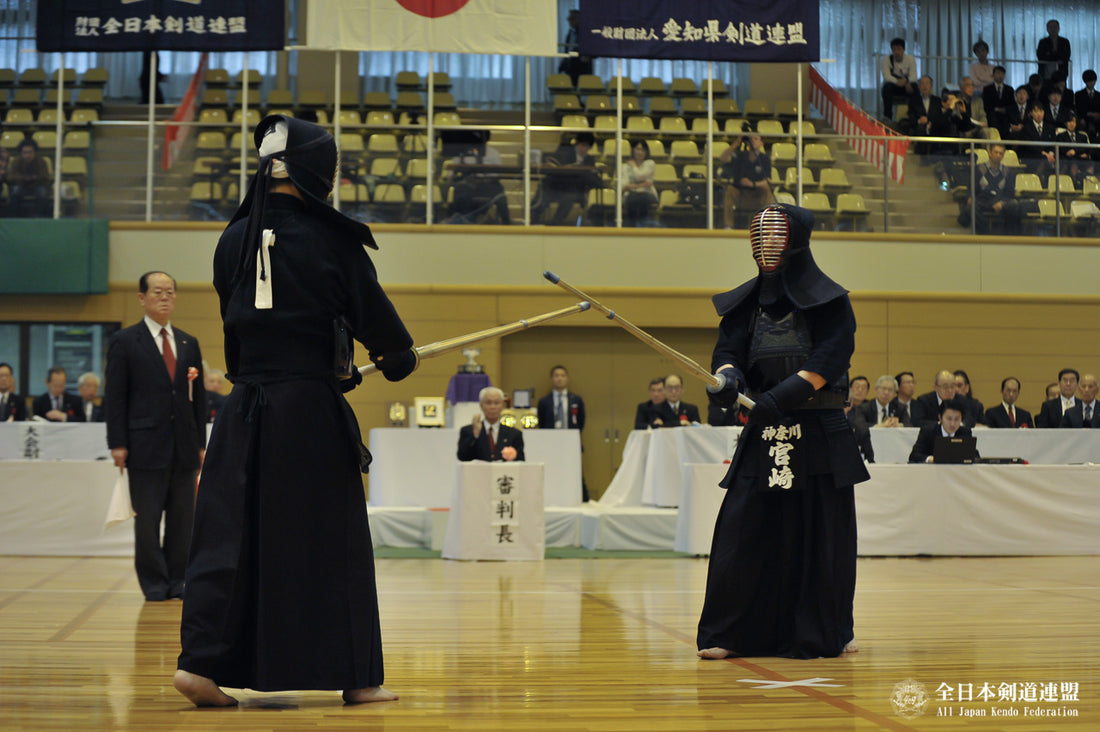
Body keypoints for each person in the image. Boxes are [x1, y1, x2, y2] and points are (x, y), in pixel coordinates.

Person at [175, 115, 417, 707]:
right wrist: (396, 357)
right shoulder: (334, 239)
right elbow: (386, 337)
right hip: (308, 414)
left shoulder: (230, 239)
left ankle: (201, 664)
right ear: (319, 173)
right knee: (332, 541)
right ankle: (357, 678)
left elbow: (248, 324)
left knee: (228, 538)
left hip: (243, 411)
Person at [697, 203, 868, 660]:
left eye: (776, 237)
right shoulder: (744, 305)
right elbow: (727, 351)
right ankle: (729, 632)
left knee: (823, 534)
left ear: (796, 241)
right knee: (743, 528)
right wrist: (728, 380)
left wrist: (785, 396)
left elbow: (830, 358)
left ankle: (826, 629)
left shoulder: (831, 301)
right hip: (765, 429)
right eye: (760, 236)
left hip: (818, 429)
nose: (767, 245)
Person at [105, 271, 204, 605]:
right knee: (146, 523)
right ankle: (154, 583)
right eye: (158, 292)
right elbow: (115, 397)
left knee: (182, 522)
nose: (165, 297)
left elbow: (199, 398)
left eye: (171, 292)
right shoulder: (125, 341)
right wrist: (117, 443)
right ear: (141, 298)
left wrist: (201, 443)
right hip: (144, 446)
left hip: (184, 447)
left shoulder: (189, 342)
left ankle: (179, 579)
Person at [443, 131, 511, 225]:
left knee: (500, 191)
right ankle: (463, 221)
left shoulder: (493, 153)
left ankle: (506, 222)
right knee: (460, 191)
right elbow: (451, 174)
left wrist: (484, 180)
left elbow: (497, 174)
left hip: (487, 184)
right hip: (465, 184)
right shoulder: (460, 153)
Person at [533, 132, 599, 226]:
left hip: (574, 190)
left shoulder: (590, 160)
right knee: (543, 192)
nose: (584, 149)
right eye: (582, 145)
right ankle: (533, 221)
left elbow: (594, 180)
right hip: (557, 186)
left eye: (587, 147)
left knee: (570, 196)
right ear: (577, 143)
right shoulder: (564, 152)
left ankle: (556, 223)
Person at [720, 131, 774, 229]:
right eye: (750, 139)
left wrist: (752, 184)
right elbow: (723, 158)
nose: (753, 141)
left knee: (767, 190)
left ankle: (767, 226)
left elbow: (768, 181)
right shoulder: (740, 155)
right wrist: (736, 143)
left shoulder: (765, 159)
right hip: (740, 195)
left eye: (756, 139)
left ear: (762, 143)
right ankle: (728, 225)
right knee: (729, 189)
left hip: (757, 196)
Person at [458, 386, 525, 462]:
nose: (493, 407)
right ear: (481, 405)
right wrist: (475, 435)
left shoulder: (514, 434)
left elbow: (520, 461)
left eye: (496, 403)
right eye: (488, 403)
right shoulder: (468, 431)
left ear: (502, 405)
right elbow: (462, 457)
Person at [965, 143, 1020, 234]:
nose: (998, 155)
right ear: (990, 153)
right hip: (982, 202)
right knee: (971, 208)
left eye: (1001, 153)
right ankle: (986, 234)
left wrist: (1002, 203)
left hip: (999, 202)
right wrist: (970, 198)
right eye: (996, 152)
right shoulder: (978, 169)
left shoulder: (1008, 171)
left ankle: (1009, 237)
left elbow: (1010, 194)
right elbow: (972, 189)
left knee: (1014, 205)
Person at [908, 398, 976, 463]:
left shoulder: (965, 432)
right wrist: (930, 459)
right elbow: (914, 455)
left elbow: (975, 455)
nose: (952, 424)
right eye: (949, 419)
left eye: (956, 419)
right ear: (940, 418)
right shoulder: (928, 432)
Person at [7, 139, 51, 217]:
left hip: (37, 185)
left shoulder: (41, 161)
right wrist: (25, 178)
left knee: (42, 193)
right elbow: (10, 177)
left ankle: (40, 218)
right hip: (21, 185)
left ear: (35, 152)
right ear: (21, 153)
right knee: (15, 192)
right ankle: (15, 218)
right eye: (25, 153)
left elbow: (45, 177)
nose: (27, 155)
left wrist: (33, 178)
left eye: (30, 152)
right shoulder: (15, 161)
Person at [620, 139, 657, 227]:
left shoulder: (650, 164)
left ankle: (643, 229)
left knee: (642, 199)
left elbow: (639, 176)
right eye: (637, 149)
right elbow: (624, 185)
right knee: (633, 199)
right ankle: (632, 229)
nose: (640, 152)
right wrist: (642, 184)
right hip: (631, 196)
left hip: (647, 194)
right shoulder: (625, 167)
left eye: (643, 150)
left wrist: (633, 167)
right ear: (633, 150)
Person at [881, 37, 917, 118]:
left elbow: (914, 76)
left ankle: (914, 116)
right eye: (894, 49)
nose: (897, 52)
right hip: (893, 86)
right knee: (886, 88)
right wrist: (897, 81)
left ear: (904, 49)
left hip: (906, 86)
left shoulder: (910, 59)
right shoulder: (886, 60)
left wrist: (906, 81)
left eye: (899, 49)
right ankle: (887, 117)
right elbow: (886, 76)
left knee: (915, 87)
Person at [557, 9, 592, 87]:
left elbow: (594, 49)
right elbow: (567, 51)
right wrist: (562, 66)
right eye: (569, 19)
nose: (569, 21)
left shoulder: (586, 33)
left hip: (582, 68)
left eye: (572, 19)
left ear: (579, 19)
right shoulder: (570, 33)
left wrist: (588, 56)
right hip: (570, 68)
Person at [982, 65, 1015, 138]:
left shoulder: (1009, 89)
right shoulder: (987, 89)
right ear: (993, 75)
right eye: (998, 73)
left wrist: (1005, 110)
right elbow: (986, 104)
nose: (1000, 76)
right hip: (992, 115)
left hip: (1006, 116)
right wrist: (996, 109)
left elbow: (1012, 104)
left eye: (1002, 74)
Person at [1074, 70, 1100, 138]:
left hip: (1097, 121)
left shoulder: (1099, 95)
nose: (1091, 83)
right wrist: (1086, 115)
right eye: (1089, 81)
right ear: (1085, 81)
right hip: (1084, 121)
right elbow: (1078, 109)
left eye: (1093, 81)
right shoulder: (1079, 94)